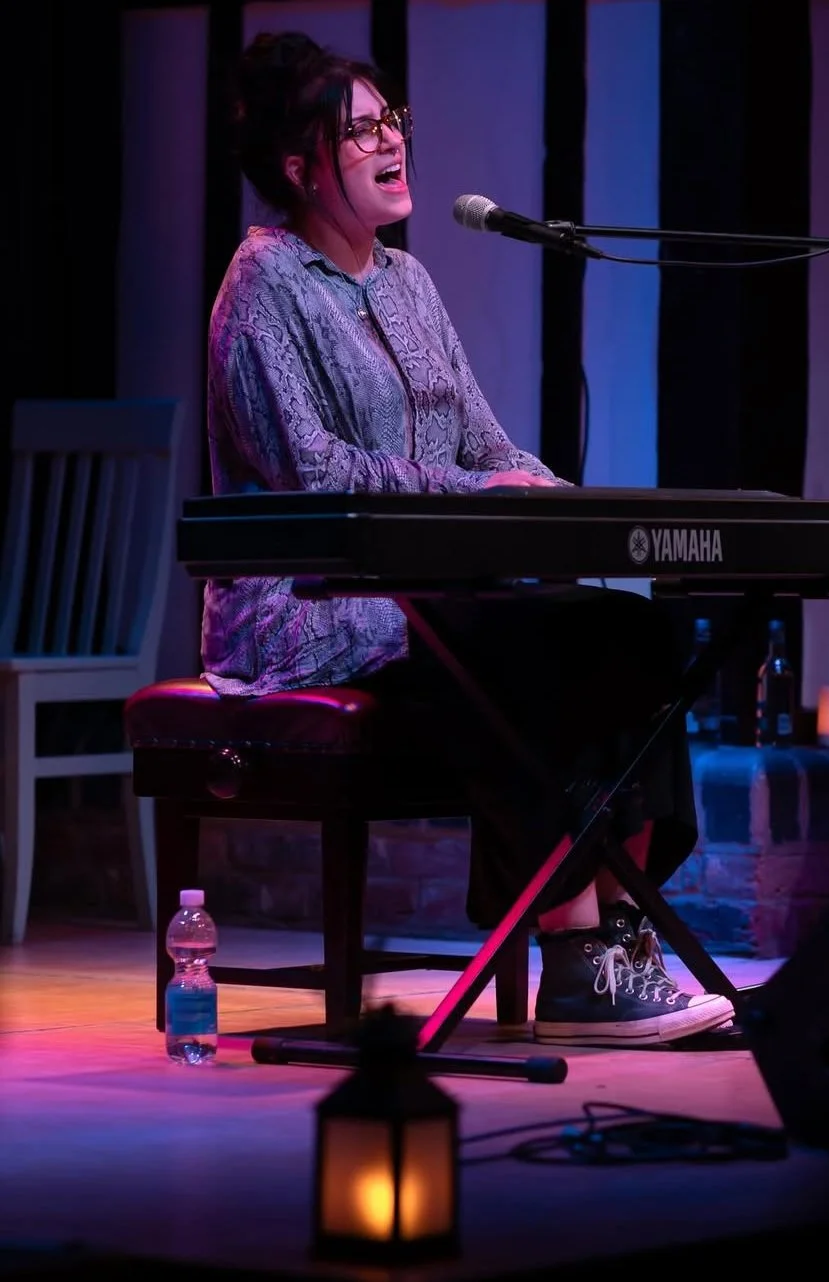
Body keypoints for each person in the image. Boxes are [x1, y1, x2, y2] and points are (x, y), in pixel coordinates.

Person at [199, 29, 735, 1047]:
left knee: (634, 639)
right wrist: (471, 487)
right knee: (516, 654)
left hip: (433, 586)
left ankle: (620, 941)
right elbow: (314, 473)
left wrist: (559, 499)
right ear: (298, 166)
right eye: (357, 133)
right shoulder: (262, 282)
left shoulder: (409, 282)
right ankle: (574, 956)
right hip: (308, 601)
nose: (390, 141)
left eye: (390, 119)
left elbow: (489, 442)